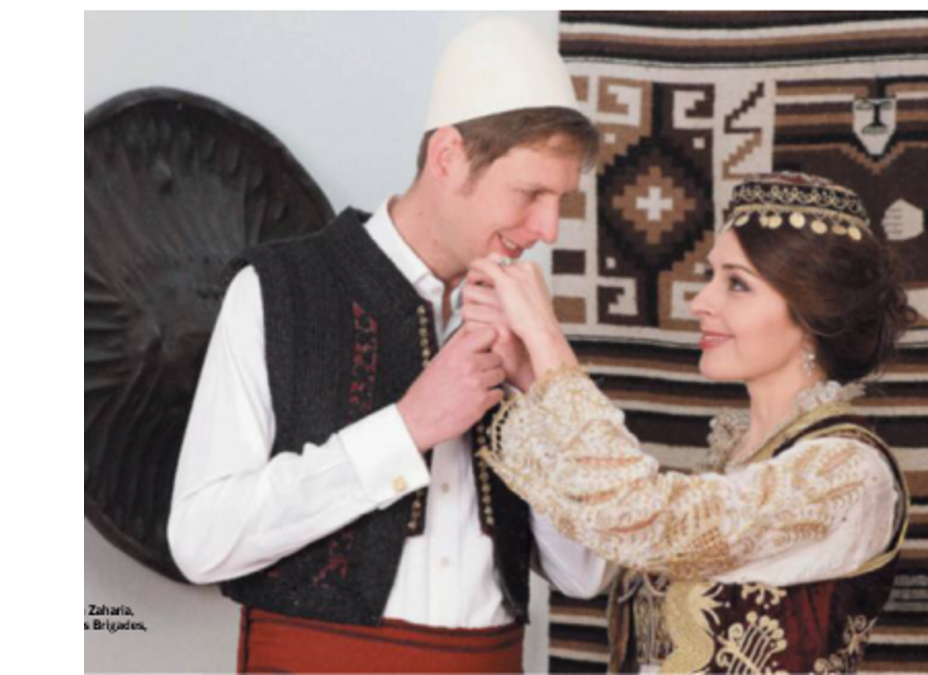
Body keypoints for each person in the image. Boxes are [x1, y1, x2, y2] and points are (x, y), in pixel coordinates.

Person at [167, 18, 610, 674]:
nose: (548, 228)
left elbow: (584, 573)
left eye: (560, 200)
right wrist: (406, 429)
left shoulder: (525, 325)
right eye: (530, 193)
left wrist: (540, 387)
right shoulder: (276, 289)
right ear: (448, 156)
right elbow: (200, 540)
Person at [465, 172, 915, 673]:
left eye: (737, 284)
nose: (701, 302)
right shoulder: (736, 459)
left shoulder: (848, 472)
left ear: (811, 314)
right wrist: (532, 380)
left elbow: (641, 515)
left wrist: (547, 340)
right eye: (711, 276)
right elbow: (591, 563)